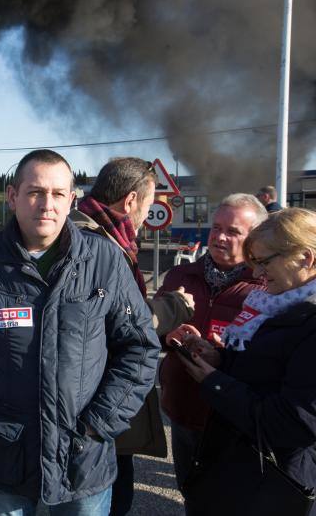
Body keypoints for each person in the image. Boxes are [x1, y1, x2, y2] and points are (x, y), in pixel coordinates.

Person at [0, 149, 160, 516]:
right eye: (35, 192)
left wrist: (98, 424)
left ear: (72, 199)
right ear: (13, 197)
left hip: (83, 461)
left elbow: (139, 349)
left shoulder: (103, 260)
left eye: (58, 194)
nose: (47, 204)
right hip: (4, 457)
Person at [71, 157, 194, 516]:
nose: (147, 214)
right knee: (110, 499)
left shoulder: (94, 235)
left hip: (93, 400)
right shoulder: (100, 246)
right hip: (98, 401)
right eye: (149, 203)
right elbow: (118, 323)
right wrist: (174, 306)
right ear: (129, 202)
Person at [178, 207, 316, 515]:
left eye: (264, 262)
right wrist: (221, 359)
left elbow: (292, 423)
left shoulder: (307, 318)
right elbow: (267, 369)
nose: (256, 275)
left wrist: (214, 382)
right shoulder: (278, 304)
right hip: (247, 470)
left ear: (306, 258)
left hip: (277, 481)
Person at [156, 193, 267, 500]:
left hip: (235, 421)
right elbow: (149, 334)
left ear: (254, 238)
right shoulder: (181, 275)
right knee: (190, 492)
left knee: (232, 500)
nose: (219, 237)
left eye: (233, 232)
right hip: (183, 409)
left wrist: (225, 356)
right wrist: (167, 334)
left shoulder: (267, 286)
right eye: (216, 228)